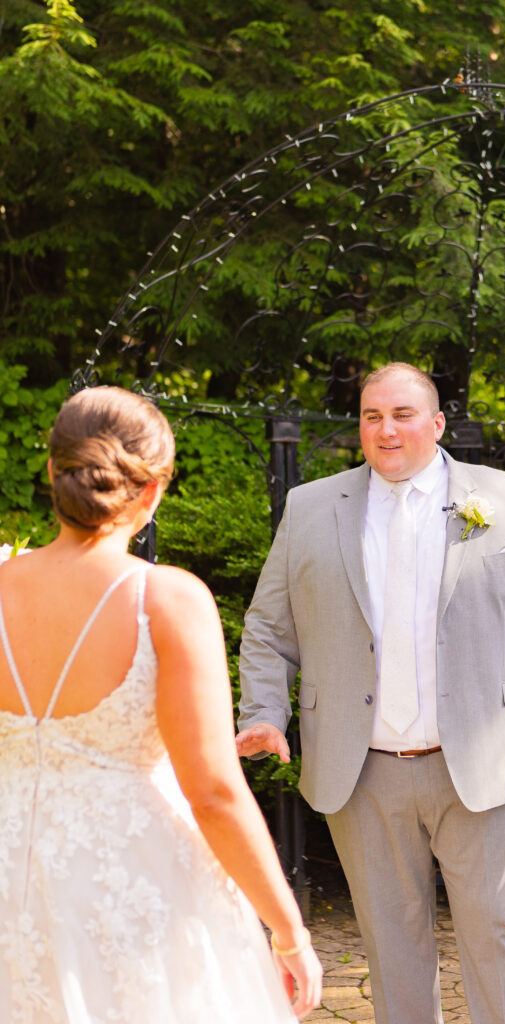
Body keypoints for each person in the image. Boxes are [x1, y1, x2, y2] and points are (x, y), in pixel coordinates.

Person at [236, 362, 505, 1024]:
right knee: (390, 948)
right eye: (371, 416)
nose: (385, 429)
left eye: (402, 415)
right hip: (362, 772)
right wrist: (264, 712)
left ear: (435, 424)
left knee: (499, 937)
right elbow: (267, 628)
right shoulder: (311, 506)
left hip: (484, 766)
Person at [0, 386, 322, 1023]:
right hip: (134, 888)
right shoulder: (167, 600)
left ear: (52, 472)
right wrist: (290, 933)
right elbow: (214, 793)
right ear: (151, 493)